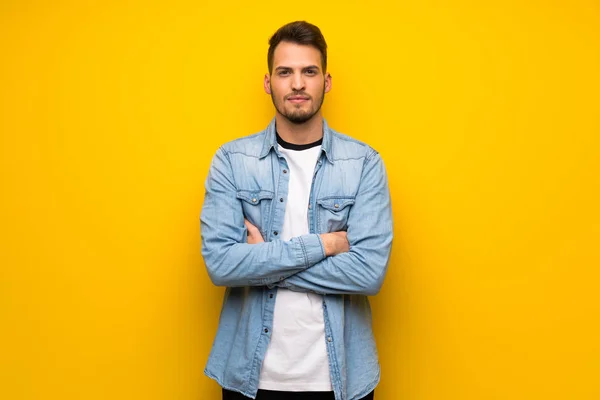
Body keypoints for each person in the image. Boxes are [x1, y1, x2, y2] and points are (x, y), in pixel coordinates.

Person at [200, 21, 393, 400]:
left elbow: (369, 273)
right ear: (268, 82)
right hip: (249, 378)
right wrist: (324, 245)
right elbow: (221, 265)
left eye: (309, 71)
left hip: (341, 379)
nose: (298, 83)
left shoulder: (364, 163)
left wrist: (260, 263)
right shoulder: (232, 161)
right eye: (285, 72)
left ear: (327, 81)